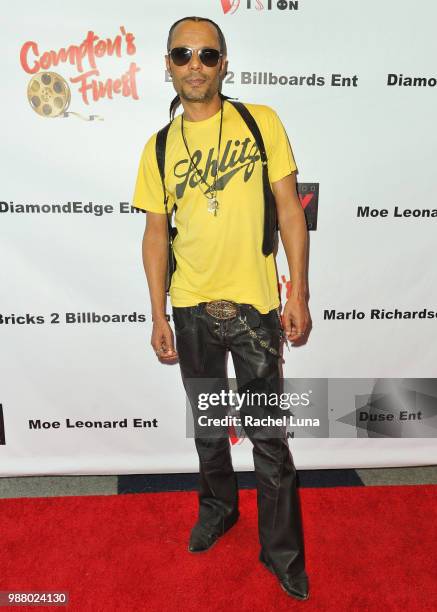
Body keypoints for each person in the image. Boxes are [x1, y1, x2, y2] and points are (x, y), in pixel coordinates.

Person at [132, 15, 311, 601]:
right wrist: (157, 314)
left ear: (224, 62)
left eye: (207, 55)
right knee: (209, 428)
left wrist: (299, 292)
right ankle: (218, 511)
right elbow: (157, 235)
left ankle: (282, 554)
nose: (195, 66)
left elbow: (290, 212)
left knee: (268, 438)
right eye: (182, 55)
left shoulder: (260, 124)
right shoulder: (158, 147)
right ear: (167, 64)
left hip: (257, 308)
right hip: (190, 309)